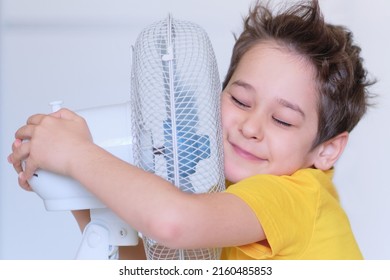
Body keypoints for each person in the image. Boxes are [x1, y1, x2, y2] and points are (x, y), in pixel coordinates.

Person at [8, 0, 374, 260]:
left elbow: (171, 222)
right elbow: (148, 266)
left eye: (282, 121)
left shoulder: (292, 197)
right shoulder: (221, 195)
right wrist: (75, 190)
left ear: (326, 150)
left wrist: (76, 155)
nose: (250, 127)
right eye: (241, 101)